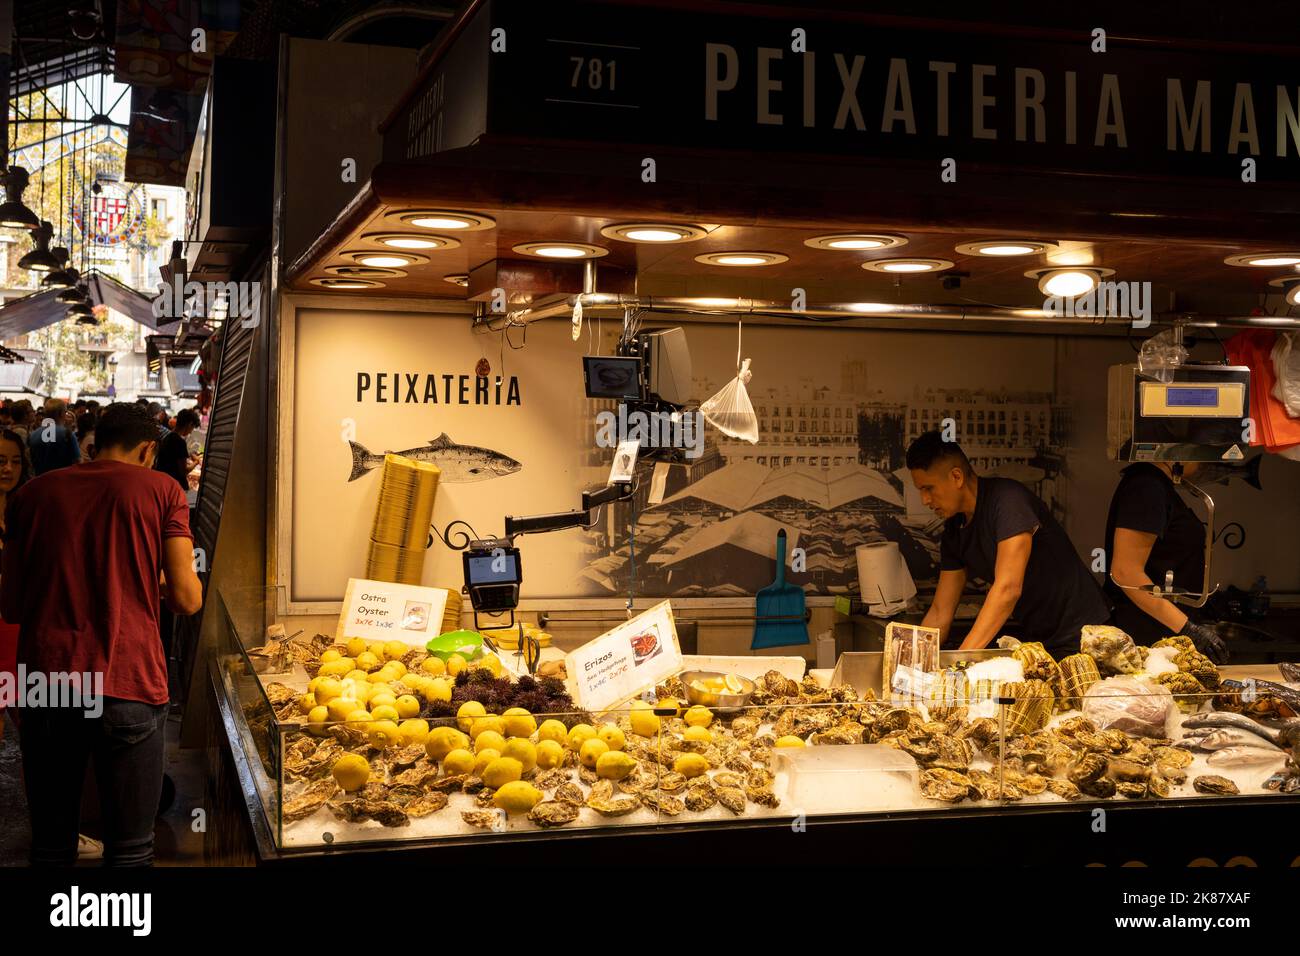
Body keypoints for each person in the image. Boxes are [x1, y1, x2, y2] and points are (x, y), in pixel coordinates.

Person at [1, 402, 203, 866]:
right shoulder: (163, 490)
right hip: (126, 681)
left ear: (95, 445)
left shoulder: (33, 494)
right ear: (148, 450)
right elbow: (188, 599)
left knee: (51, 845)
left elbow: (11, 605)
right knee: (131, 849)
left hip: (46, 685)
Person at [907, 431, 1111, 655]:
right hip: (1041, 639)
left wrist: (960, 661)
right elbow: (939, 612)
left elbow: (1007, 589)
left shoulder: (1008, 501)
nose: (924, 500)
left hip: (1087, 635)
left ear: (956, 477)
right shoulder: (955, 530)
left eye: (929, 488)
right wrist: (914, 664)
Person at [1104, 461, 1228, 661]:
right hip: (1145, 635)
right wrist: (1189, 629)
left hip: (1159, 632)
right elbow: (1125, 572)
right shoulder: (1146, 486)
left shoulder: (1156, 485)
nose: (1204, 462)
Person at [27, 399, 82, 475]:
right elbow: (78, 462)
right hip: (62, 481)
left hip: (39, 481)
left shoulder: (33, 435)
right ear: (61, 413)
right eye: (65, 412)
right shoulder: (67, 434)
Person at [155, 408, 200, 490]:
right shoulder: (179, 442)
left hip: (164, 484)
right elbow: (184, 471)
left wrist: (189, 455)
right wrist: (197, 461)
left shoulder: (168, 437)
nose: (190, 432)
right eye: (192, 428)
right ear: (189, 424)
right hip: (174, 487)